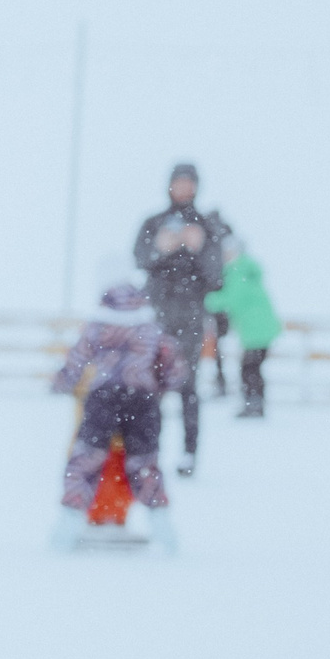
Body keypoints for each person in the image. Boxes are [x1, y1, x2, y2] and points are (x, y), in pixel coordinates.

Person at [50, 280, 181, 551]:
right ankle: (164, 530)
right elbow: (174, 370)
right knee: (145, 465)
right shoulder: (153, 331)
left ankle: (66, 527)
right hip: (143, 401)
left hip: (103, 399)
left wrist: (62, 382)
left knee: (86, 460)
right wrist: (159, 386)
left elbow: (76, 360)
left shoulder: (98, 328)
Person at [132, 164, 232, 477]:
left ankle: (189, 454)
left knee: (187, 386)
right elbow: (138, 258)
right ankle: (150, 451)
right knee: (150, 387)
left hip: (190, 318)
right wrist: (161, 250)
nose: (183, 189)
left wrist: (199, 247)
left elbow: (216, 278)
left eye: (189, 183)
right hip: (156, 317)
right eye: (179, 183)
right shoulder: (154, 223)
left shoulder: (206, 227)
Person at [204, 235, 283, 419]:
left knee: (249, 368)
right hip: (260, 328)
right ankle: (255, 404)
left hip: (255, 329)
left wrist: (204, 299)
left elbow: (230, 298)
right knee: (252, 368)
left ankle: (253, 404)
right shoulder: (246, 269)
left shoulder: (238, 271)